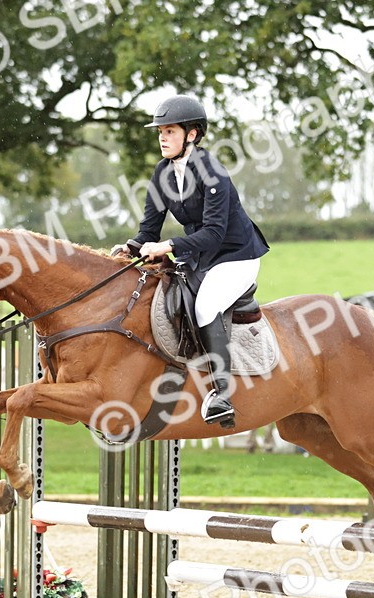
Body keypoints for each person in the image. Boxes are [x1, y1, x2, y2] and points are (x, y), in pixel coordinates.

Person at [113, 95, 269, 429]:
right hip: (198, 258)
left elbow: (214, 233)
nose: (162, 137)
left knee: (205, 305)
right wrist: (132, 247)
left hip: (235, 257)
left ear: (192, 134)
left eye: (169, 131)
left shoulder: (212, 171)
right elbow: (148, 229)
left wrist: (167, 245)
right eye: (160, 132)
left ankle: (222, 394)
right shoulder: (161, 172)